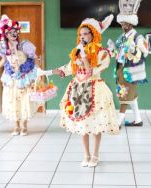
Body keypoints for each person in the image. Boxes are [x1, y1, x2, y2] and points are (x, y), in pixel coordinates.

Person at [49, 14, 119, 167]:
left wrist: (85, 59)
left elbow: (92, 71)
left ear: (93, 33)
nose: (83, 36)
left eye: (86, 33)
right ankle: (86, 155)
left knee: (95, 124)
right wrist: (48, 72)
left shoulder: (102, 52)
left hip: (94, 88)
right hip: (78, 89)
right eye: (80, 34)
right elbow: (69, 68)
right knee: (83, 125)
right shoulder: (77, 51)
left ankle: (95, 154)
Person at [0, 15, 38, 136]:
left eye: (15, 32)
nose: (13, 34)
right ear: (5, 34)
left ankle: (24, 126)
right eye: (10, 32)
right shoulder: (3, 48)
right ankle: (16, 126)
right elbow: (4, 61)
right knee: (12, 100)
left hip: (24, 77)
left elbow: (34, 59)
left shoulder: (24, 45)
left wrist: (37, 71)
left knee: (25, 99)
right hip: (12, 78)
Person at [107, 0, 148, 127]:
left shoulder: (137, 37)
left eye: (124, 23)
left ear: (130, 23)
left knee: (124, 95)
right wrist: (112, 48)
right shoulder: (121, 37)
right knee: (131, 95)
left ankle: (118, 122)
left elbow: (144, 53)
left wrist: (135, 50)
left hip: (131, 72)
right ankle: (138, 119)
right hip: (120, 69)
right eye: (122, 23)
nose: (122, 25)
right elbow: (117, 54)